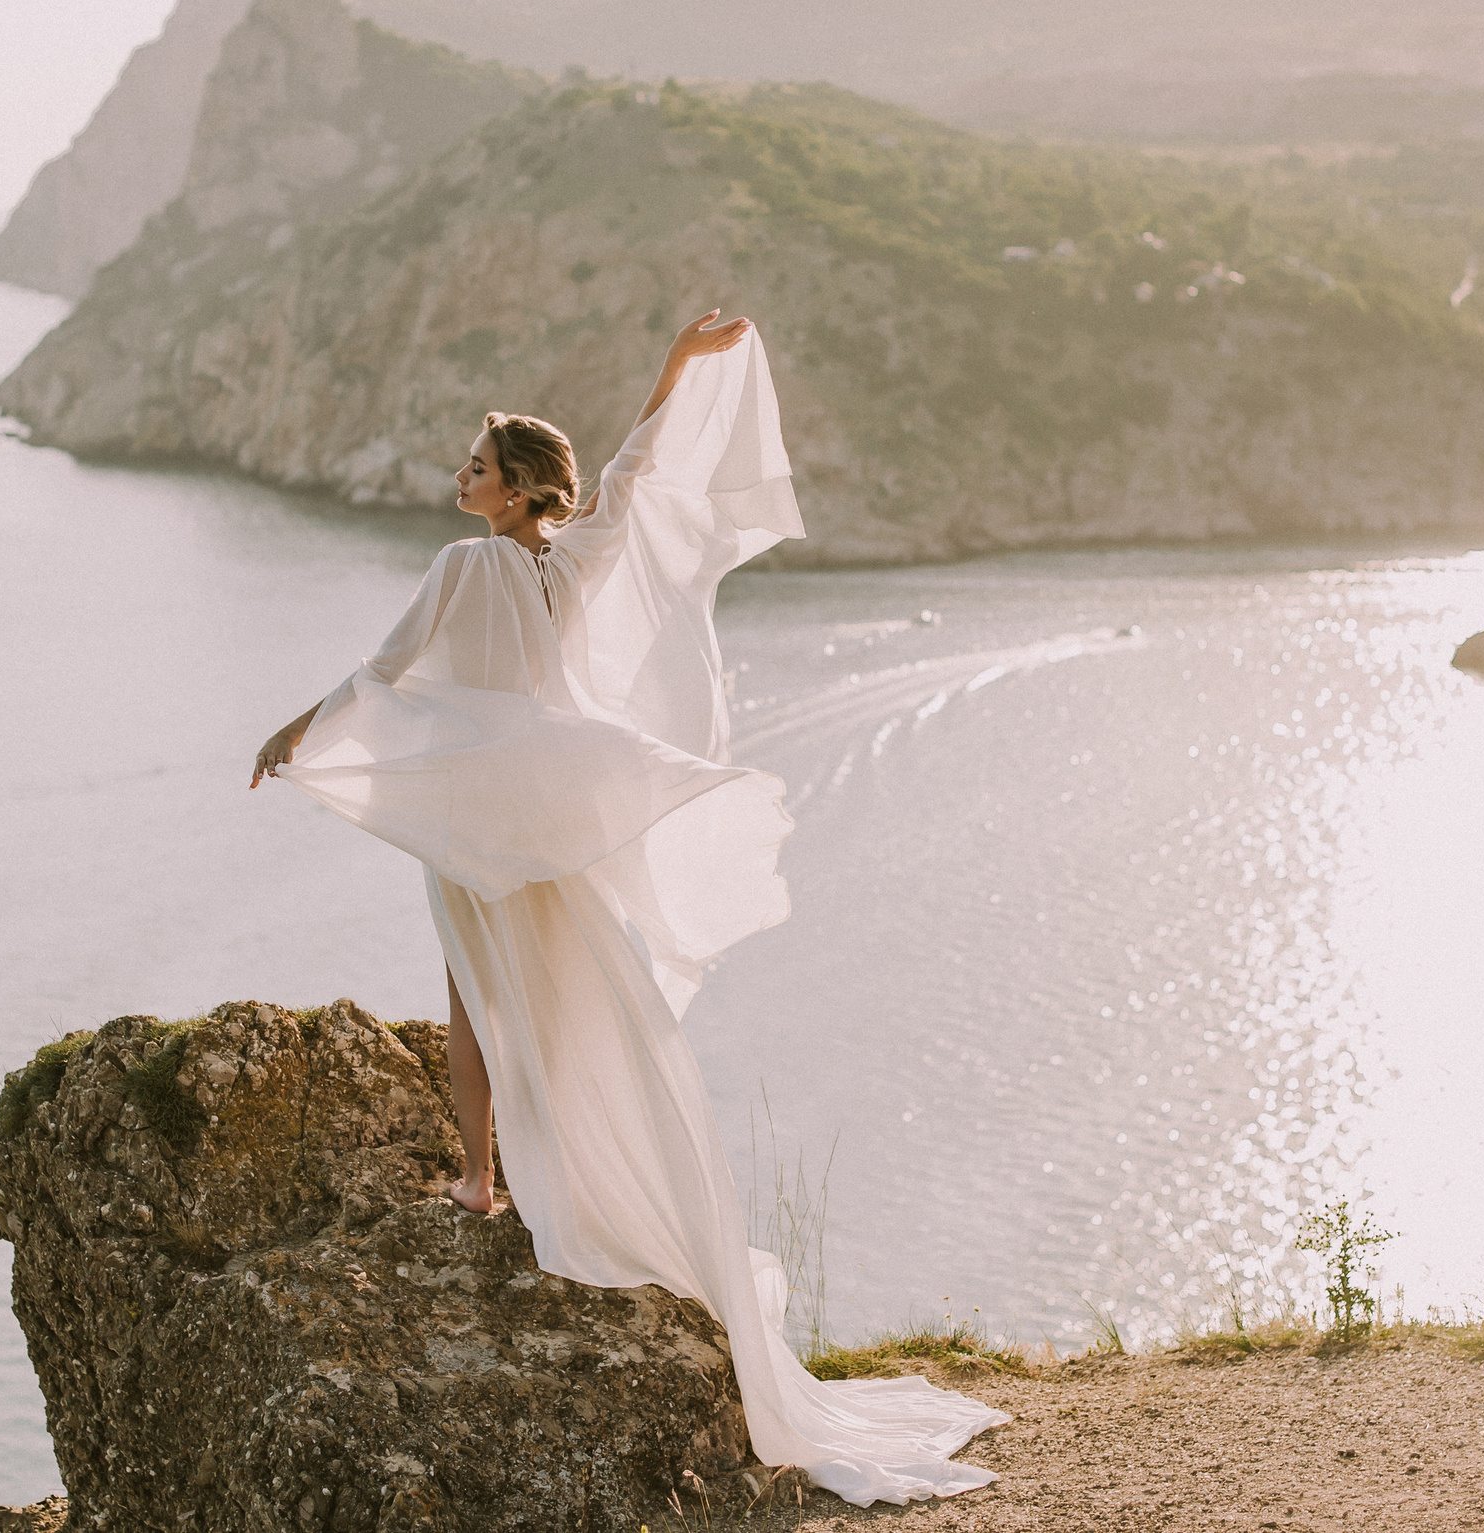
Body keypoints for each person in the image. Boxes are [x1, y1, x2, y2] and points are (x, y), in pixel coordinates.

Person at [250, 310, 1008, 1507]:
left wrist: (296, 730)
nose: (462, 477)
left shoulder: (466, 563)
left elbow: (383, 671)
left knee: (470, 986)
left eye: (478, 466)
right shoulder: (576, 553)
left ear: (512, 491)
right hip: (554, 811)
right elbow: (640, 472)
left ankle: (481, 1176)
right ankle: (549, 1170)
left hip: (482, 804)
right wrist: (675, 366)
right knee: (562, 993)